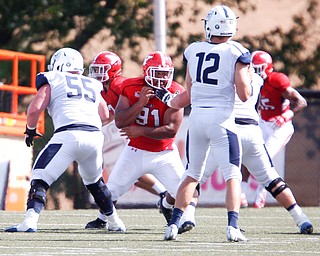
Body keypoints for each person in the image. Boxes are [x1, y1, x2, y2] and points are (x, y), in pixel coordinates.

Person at [157, 5, 252, 241]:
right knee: (232, 175)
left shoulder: (193, 50)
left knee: (191, 174)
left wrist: (166, 99)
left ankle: (174, 225)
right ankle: (232, 227)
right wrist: (247, 76)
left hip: (197, 119)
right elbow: (244, 94)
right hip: (222, 120)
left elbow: (186, 96)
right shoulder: (237, 51)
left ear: (210, 25)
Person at [4, 47, 125, 233]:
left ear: (60, 64)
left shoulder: (53, 79)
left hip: (68, 134)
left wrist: (30, 130)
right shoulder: (92, 83)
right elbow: (105, 114)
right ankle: (116, 222)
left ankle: (29, 221)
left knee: (39, 177)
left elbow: (35, 109)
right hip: (94, 137)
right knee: (95, 182)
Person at [85, 51, 195, 230]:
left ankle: (173, 211)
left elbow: (171, 130)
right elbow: (120, 121)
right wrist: (140, 103)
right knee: (109, 193)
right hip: (135, 150)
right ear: (146, 71)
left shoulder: (176, 91)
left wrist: (141, 130)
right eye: (157, 73)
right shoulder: (130, 87)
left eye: (164, 73)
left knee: (182, 193)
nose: (161, 78)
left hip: (165, 152)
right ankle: (103, 219)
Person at [204, 69, 313, 234]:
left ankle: (223, 222)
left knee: (203, 175)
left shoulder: (230, 78)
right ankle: (301, 218)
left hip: (233, 130)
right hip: (254, 129)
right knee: (269, 177)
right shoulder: (258, 80)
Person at [244, 50, 308, 209]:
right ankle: (242, 193)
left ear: (267, 68)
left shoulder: (276, 80)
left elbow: (301, 101)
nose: (254, 72)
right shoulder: (250, 81)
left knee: (264, 157)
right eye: (253, 68)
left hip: (279, 125)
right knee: (246, 152)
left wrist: (287, 115)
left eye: (258, 68)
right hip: (263, 122)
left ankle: (261, 191)